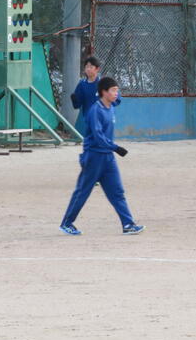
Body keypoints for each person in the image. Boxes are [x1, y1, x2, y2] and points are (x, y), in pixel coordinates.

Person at [59, 77, 144, 236]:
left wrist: (112, 149)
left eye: (117, 90)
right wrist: (115, 147)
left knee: (117, 192)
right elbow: (98, 136)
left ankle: (128, 224)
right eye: (113, 90)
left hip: (108, 158)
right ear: (104, 92)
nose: (116, 93)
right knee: (83, 191)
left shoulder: (111, 107)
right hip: (93, 157)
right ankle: (67, 223)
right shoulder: (95, 111)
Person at [70, 56, 120, 135]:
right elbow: (77, 105)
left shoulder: (104, 83)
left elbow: (116, 99)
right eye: (86, 67)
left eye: (91, 67)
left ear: (97, 69)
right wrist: (74, 99)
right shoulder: (82, 84)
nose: (88, 69)